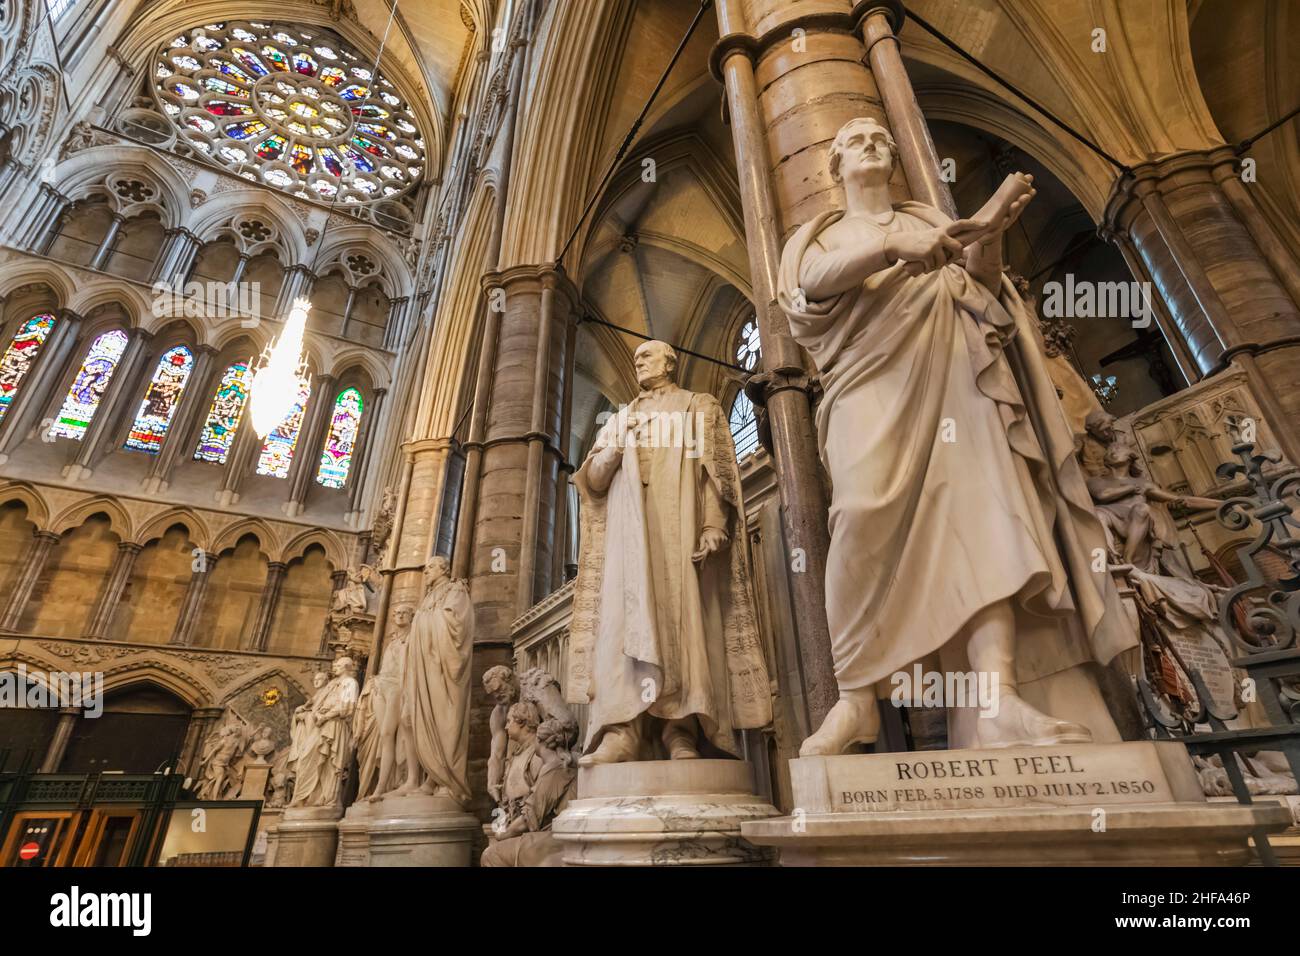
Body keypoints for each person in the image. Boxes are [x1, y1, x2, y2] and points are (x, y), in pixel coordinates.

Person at [777, 116, 1134, 754]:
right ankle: (856, 697)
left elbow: (981, 291)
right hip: (868, 385)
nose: (869, 144)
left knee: (985, 520)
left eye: (880, 139)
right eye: (854, 139)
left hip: (955, 377)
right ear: (833, 166)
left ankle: (997, 699)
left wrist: (988, 235)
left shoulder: (922, 218)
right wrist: (895, 251)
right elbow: (811, 288)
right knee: (859, 517)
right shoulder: (823, 233)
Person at [566, 340, 771, 764]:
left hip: (678, 529)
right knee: (622, 629)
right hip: (627, 541)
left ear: (670, 363)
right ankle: (623, 732)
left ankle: (682, 731)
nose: (638, 360)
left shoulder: (697, 406)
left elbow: (712, 472)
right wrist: (617, 448)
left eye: (648, 355)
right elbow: (595, 480)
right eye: (636, 355)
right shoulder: (621, 418)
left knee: (683, 624)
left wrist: (714, 523)